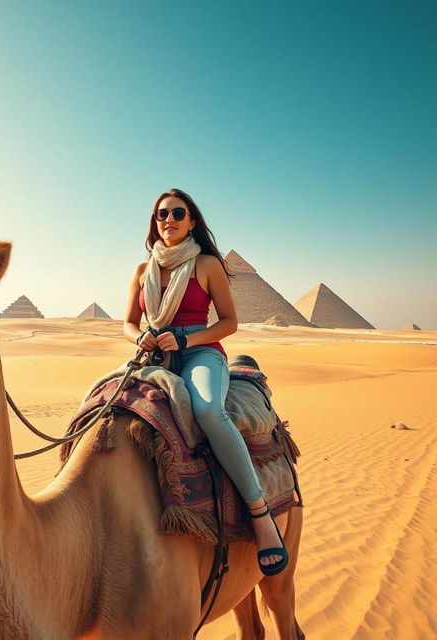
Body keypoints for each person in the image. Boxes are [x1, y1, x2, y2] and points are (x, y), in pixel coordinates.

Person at [123, 188, 288, 575]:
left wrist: (186, 338)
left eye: (178, 213)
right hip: (155, 354)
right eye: (161, 214)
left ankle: (259, 512)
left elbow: (229, 322)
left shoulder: (207, 265)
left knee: (208, 411)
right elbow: (127, 323)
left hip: (200, 352)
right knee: (105, 408)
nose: (169, 220)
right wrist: (140, 336)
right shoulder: (142, 271)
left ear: (191, 221)